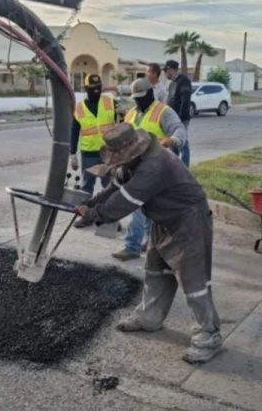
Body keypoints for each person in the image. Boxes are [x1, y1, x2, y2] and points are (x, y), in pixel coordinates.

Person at [77, 123, 222, 363]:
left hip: (189, 222)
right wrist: (90, 205)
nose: (115, 161)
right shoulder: (131, 163)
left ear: (132, 150)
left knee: (194, 283)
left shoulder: (154, 165)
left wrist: (94, 215)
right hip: (164, 220)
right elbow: (115, 189)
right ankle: (149, 318)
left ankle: (209, 335)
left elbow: (123, 202)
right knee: (156, 272)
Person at [111, 77, 187, 261]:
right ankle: (151, 243)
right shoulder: (131, 114)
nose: (138, 100)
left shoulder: (163, 111)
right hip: (137, 169)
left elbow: (180, 130)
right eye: (135, 97)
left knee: (138, 207)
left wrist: (172, 140)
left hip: (157, 170)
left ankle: (132, 246)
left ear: (151, 93)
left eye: (141, 97)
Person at [71, 74, 118, 228]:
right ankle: (86, 217)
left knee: (110, 188)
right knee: (86, 189)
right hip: (89, 154)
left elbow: (125, 122)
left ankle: (110, 220)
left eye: (99, 88)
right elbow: (74, 131)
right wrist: (72, 154)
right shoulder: (80, 108)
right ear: (86, 89)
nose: (96, 91)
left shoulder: (110, 102)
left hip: (109, 153)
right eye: (92, 89)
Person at [164, 60, 193, 167]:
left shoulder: (183, 81)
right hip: (172, 119)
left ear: (171, 70)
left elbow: (185, 101)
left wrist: (179, 120)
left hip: (181, 119)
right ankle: (175, 167)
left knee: (183, 143)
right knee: (173, 144)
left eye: (166, 71)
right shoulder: (172, 84)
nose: (165, 73)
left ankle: (185, 168)